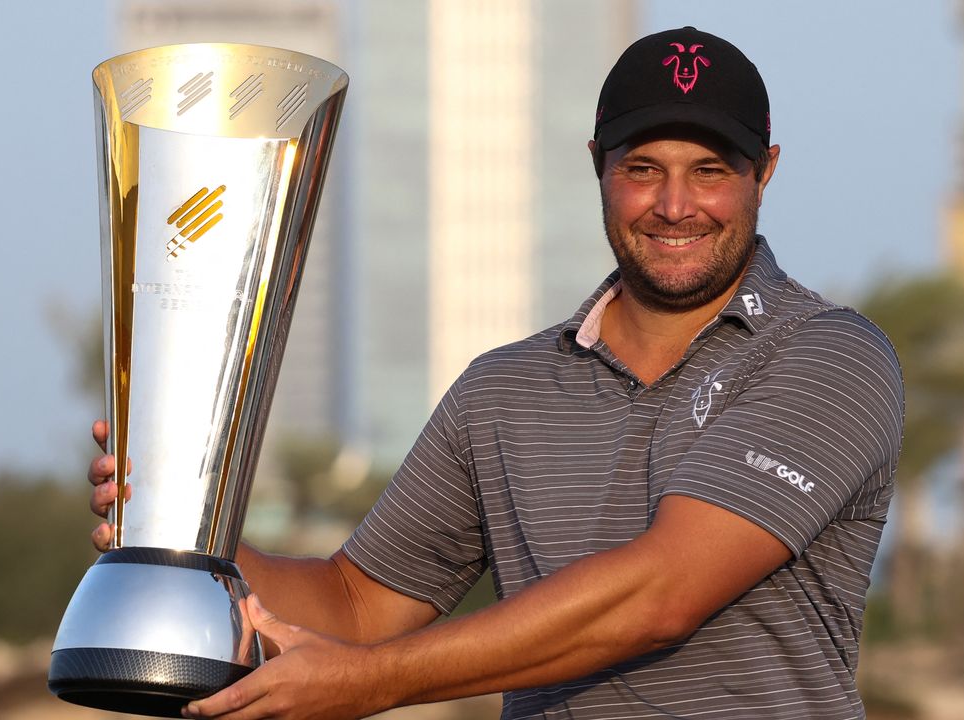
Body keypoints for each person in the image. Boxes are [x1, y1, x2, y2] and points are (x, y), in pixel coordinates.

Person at [88, 26, 904, 720]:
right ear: (598, 166)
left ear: (766, 171)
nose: (675, 205)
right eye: (643, 167)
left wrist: (367, 686)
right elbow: (357, 604)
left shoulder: (829, 356)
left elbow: (660, 596)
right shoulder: (503, 388)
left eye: (711, 170)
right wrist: (186, 524)